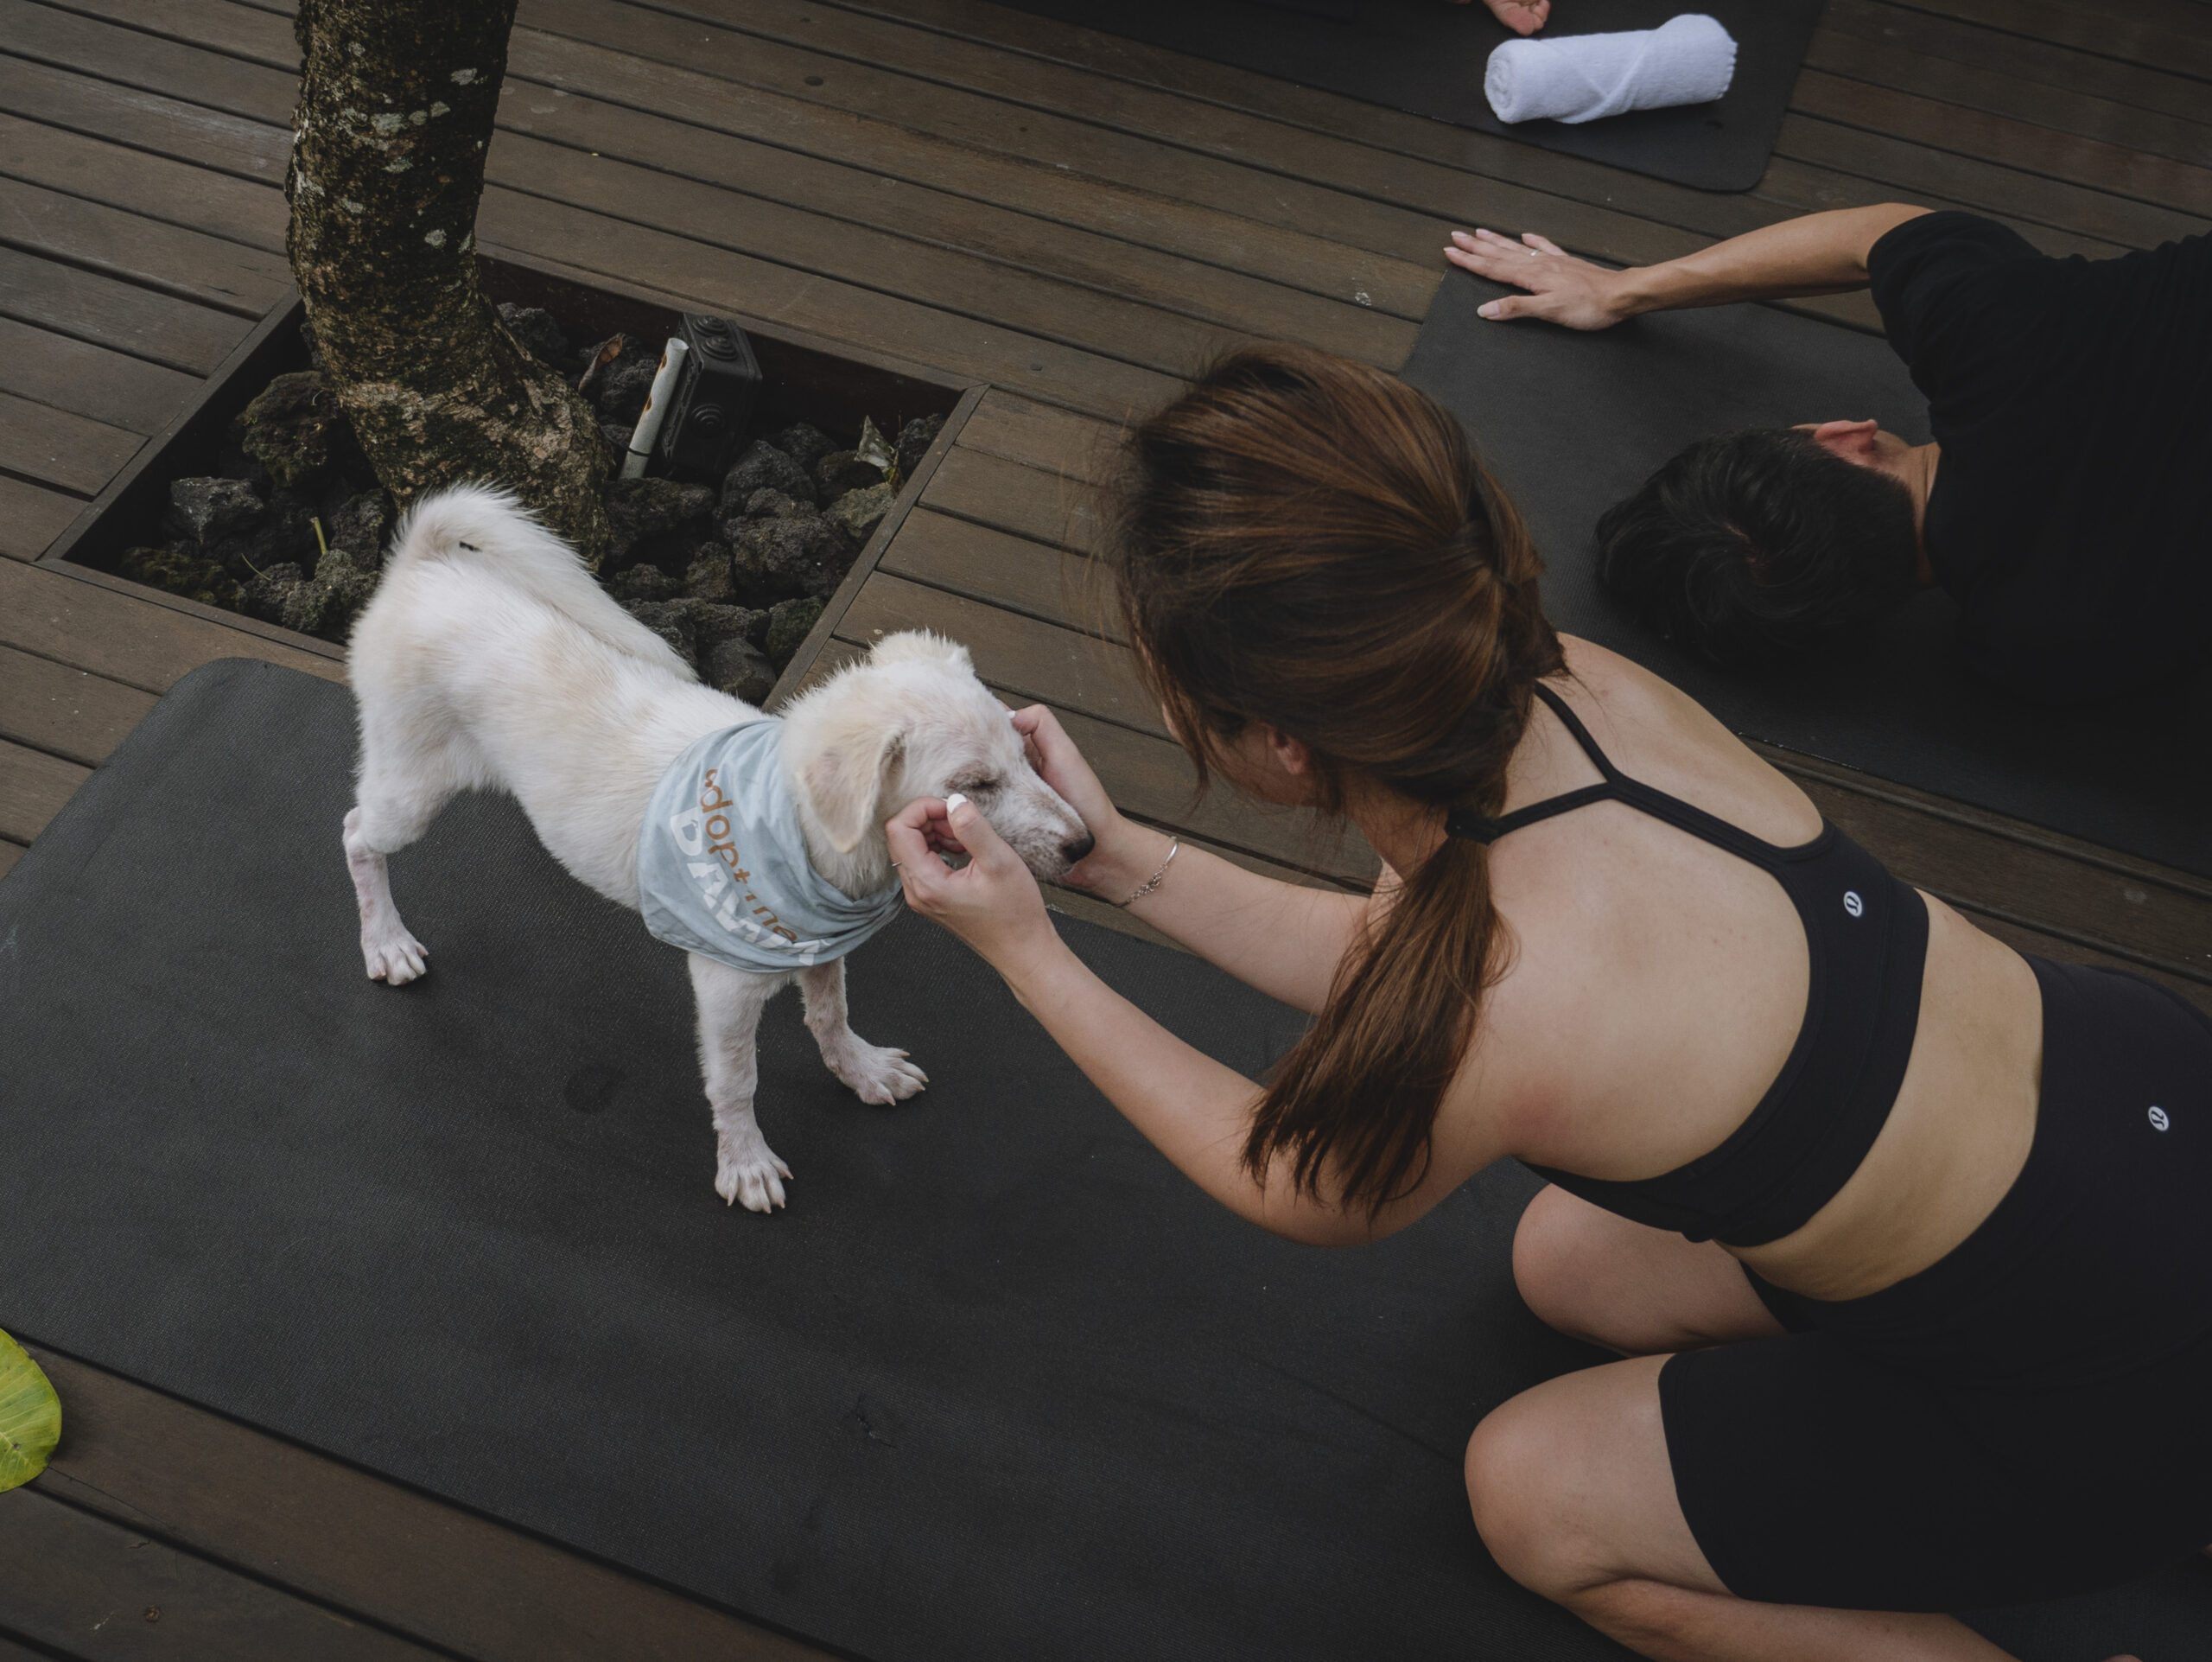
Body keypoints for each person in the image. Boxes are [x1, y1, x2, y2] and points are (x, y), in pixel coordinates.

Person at [882, 343, 2212, 1662]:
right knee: (1564, 1257)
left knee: (1530, 1498)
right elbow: (1410, 961)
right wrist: (1113, 863)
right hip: (2132, 1107)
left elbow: (1289, 1176)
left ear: (1284, 742)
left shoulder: (1497, 994)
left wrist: (1026, 952)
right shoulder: (1563, 681)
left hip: (2117, 1387)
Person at [1443, 207, 2212, 704]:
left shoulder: (2038, 644)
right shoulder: (1992, 332)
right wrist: (1628, 290)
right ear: (1845, 438)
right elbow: (1867, 239)